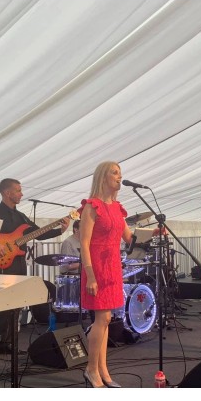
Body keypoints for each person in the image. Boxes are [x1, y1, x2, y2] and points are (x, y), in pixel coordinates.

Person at [0, 178, 70, 365]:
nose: (22, 194)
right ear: (7, 193)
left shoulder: (21, 217)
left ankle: (6, 343)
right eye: (18, 191)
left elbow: (38, 233)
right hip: (1, 267)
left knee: (16, 305)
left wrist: (60, 230)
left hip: (18, 265)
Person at [79, 161, 133, 388]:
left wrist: (155, 231)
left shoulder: (117, 208)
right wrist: (90, 275)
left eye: (120, 173)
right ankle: (91, 369)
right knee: (102, 319)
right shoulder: (92, 206)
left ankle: (102, 369)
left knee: (107, 319)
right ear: (103, 177)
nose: (119, 176)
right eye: (114, 173)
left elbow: (129, 237)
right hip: (97, 267)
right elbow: (84, 243)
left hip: (113, 266)